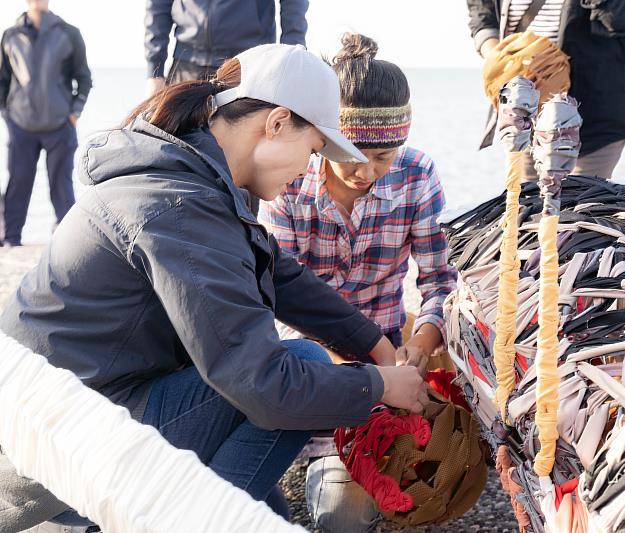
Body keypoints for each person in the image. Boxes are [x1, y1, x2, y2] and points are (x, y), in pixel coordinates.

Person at [0, 43, 428, 531]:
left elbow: (276, 272)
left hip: (60, 416)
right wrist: (378, 385)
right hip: (47, 455)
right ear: (278, 123)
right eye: (312, 151)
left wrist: (371, 343)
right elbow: (263, 385)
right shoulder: (178, 206)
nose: (307, 170)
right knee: (298, 369)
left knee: (269, 514)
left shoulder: (187, 174)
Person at [260, 33, 457, 532]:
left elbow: (440, 283)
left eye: (385, 158)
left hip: (388, 361)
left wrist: (419, 344)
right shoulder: (288, 181)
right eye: (351, 153)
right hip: (298, 367)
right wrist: (355, 372)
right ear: (324, 135)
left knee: (344, 518)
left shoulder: (417, 177)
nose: (365, 172)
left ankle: (330, 468)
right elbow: (270, 301)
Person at [466, 0, 625, 180]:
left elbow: (619, 18)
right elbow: (482, 12)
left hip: (595, 114)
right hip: (525, 111)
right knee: (526, 204)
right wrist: (499, 59)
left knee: (584, 204)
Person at [0, 0, 91, 247]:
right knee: (18, 183)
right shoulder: (10, 35)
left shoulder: (69, 33)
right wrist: (8, 117)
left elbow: (84, 78)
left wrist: (74, 113)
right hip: (21, 126)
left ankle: (71, 241)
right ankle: (10, 240)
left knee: (61, 187)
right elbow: (3, 81)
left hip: (59, 126)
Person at [144, 0, 309, 96]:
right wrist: (154, 72)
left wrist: (292, 56)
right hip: (187, 64)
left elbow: (294, 4)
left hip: (247, 65)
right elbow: (157, 5)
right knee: (177, 144)